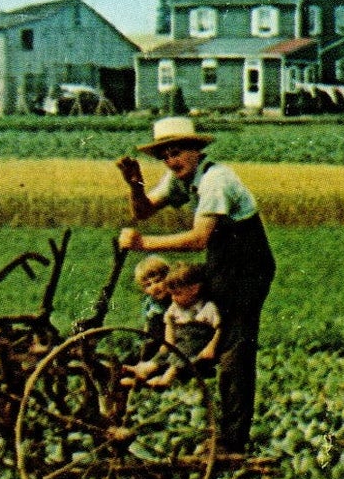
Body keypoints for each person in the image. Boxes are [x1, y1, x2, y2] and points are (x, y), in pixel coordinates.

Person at [115, 116, 275, 454]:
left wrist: (145, 245)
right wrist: (134, 186)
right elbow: (143, 212)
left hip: (247, 267)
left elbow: (200, 237)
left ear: (196, 150)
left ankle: (232, 441)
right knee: (194, 320)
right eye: (165, 156)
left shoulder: (216, 180)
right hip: (222, 262)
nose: (172, 162)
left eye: (178, 153)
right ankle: (168, 365)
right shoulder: (180, 179)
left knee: (234, 347)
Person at [130, 263, 221, 388]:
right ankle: (146, 369)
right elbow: (169, 323)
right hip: (179, 338)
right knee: (167, 351)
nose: (173, 298)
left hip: (197, 340)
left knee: (182, 352)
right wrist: (168, 343)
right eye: (171, 294)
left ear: (194, 289)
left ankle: (167, 379)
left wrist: (211, 347)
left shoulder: (207, 307)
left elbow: (219, 327)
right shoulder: (175, 306)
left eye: (176, 294)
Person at [131, 255, 171, 367]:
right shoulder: (150, 302)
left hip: (167, 339)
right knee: (134, 353)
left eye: (158, 281)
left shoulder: (174, 299)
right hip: (152, 338)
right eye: (148, 285)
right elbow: (147, 322)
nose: (154, 287)